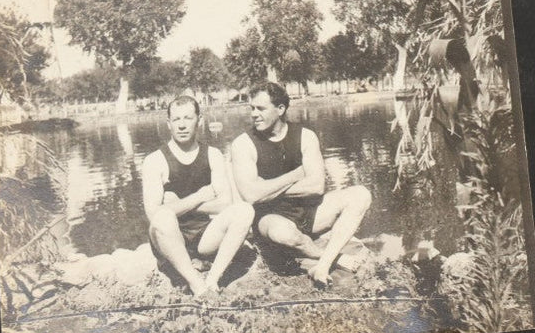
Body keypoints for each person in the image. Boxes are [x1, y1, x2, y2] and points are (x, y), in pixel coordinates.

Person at [229, 81, 372, 287]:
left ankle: (322, 266)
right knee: (283, 233)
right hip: (269, 218)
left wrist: (265, 187)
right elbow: (251, 195)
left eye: (261, 108)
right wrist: (296, 175)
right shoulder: (243, 144)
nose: (254, 114)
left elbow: (316, 186)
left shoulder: (306, 136)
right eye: (252, 108)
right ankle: (331, 257)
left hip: (308, 211)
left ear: (280, 109)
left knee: (360, 194)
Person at [141, 95, 256, 297]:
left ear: (199, 120)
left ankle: (212, 279)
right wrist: (200, 196)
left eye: (188, 118)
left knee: (244, 210)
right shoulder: (155, 160)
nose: (182, 125)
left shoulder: (213, 155)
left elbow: (224, 204)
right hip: (168, 239)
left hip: (203, 237)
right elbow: (154, 214)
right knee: (164, 218)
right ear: (168, 124)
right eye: (176, 120)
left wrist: (178, 205)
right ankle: (198, 286)